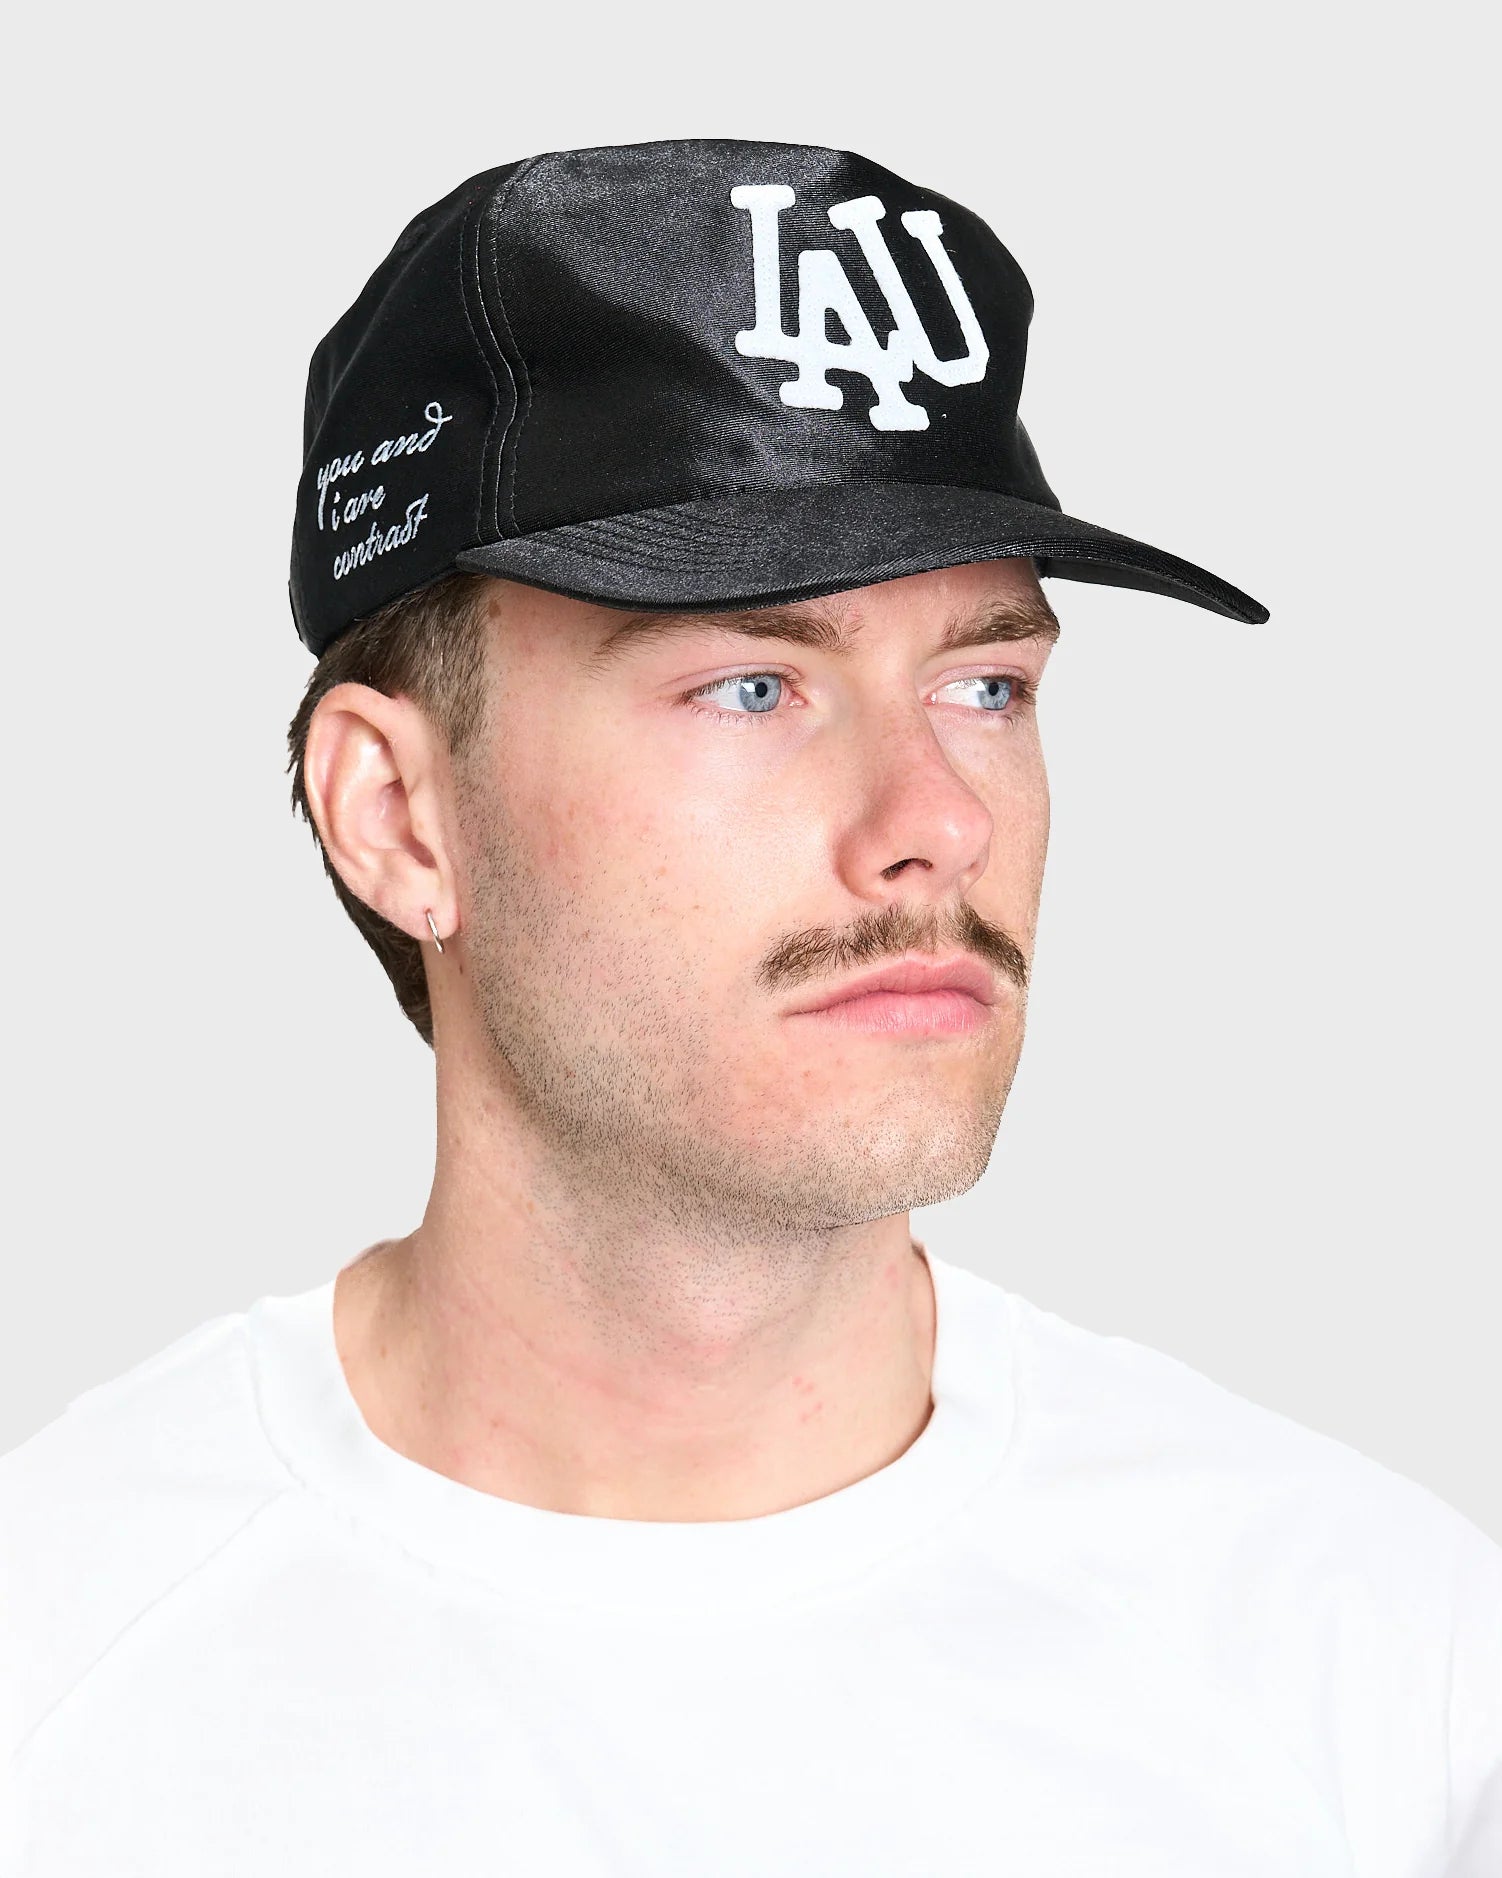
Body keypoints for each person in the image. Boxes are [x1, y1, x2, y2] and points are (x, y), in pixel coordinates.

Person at [2, 137, 1497, 1875]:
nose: (934, 821)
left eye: (985, 684)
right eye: (750, 686)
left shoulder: (1376, 1671)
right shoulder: (59, 1659)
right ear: (398, 817)